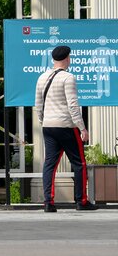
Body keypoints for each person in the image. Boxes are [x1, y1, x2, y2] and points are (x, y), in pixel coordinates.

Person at [36, 45, 96, 212]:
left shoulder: (42, 77)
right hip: (66, 126)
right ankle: (81, 201)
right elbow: (73, 106)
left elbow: (38, 105)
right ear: (67, 59)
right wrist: (82, 128)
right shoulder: (68, 78)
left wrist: (43, 121)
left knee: (50, 164)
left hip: (48, 126)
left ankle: (48, 202)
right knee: (79, 163)